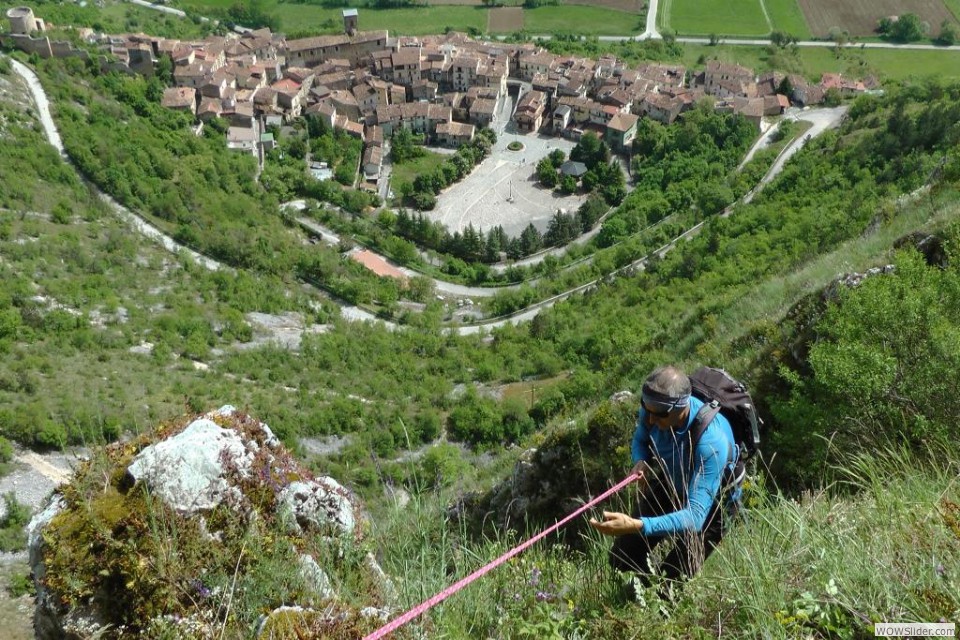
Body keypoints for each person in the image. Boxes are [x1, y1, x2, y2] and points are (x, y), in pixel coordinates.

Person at [588, 365, 741, 582]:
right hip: (675, 478)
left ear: (682, 406)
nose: (650, 420)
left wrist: (637, 525)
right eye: (646, 409)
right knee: (622, 557)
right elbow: (641, 439)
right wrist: (640, 460)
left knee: (671, 580)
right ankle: (638, 601)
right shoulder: (654, 409)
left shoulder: (711, 442)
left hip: (714, 503)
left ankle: (659, 602)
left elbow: (695, 517)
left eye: (658, 414)